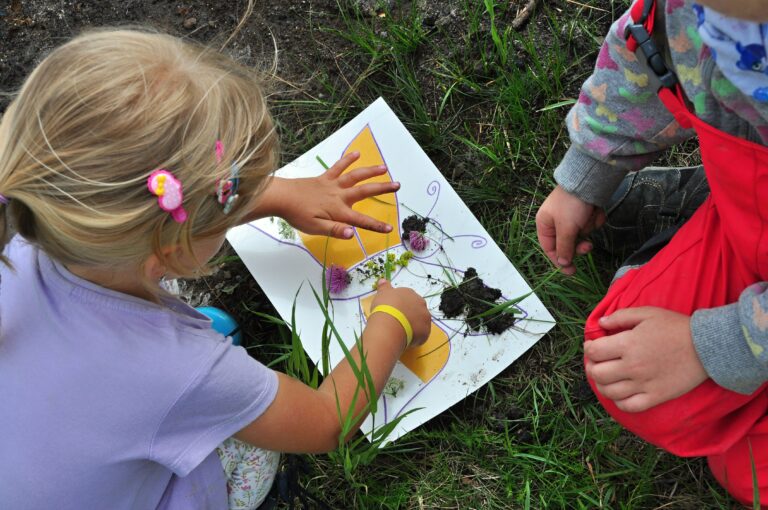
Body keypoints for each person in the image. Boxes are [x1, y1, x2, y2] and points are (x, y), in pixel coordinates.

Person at [0, 29, 432, 510]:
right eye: (231, 202)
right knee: (251, 453)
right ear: (171, 251)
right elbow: (326, 420)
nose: (243, 202)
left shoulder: (31, 216)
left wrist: (281, 194)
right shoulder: (181, 369)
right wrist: (391, 322)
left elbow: (168, 219)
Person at [536, 0, 768, 504]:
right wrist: (589, 171)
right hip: (751, 221)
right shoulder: (698, 9)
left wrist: (717, 344)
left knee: (751, 474)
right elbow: (649, 54)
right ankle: (714, 200)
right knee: (619, 347)